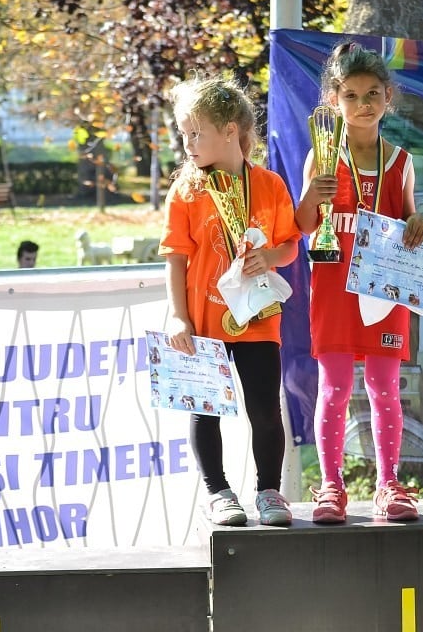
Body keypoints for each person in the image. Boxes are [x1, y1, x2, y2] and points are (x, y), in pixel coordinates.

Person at [296, 41, 423, 524]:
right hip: (333, 285)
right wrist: (313, 193)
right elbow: (304, 225)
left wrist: (418, 224)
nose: (363, 104)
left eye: (373, 93)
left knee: (383, 388)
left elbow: (412, 218)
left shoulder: (401, 161)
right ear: (335, 100)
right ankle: (331, 487)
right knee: (332, 387)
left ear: (388, 98)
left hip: (383, 289)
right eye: (351, 95)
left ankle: (388, 484)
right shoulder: (322, 157)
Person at [159, 75, 301, 527]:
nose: (188, 143)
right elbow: (175, 259)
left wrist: (269, 256)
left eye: (196, 132)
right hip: (203, 321)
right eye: (184, 133)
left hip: (258, 317)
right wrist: (179, 318)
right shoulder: (185, 191)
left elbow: (289, 246)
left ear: (230, 131)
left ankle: (269, 491)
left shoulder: (271, 185)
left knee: (263, 407)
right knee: (205, 409)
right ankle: (218, 491)